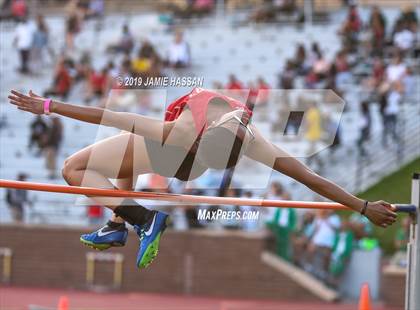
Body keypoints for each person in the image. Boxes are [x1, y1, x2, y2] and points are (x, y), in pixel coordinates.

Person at [8, 87, 398, 270]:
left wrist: (47, 106)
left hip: (172, 150)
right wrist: (363, 207)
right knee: (124, 155)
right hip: (180, 150)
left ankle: (145, 219)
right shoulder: (240, 138)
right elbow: (311, 178)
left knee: (73, 170)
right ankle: (116, 224)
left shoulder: (199, 135)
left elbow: (313, 179)